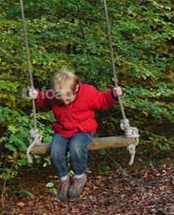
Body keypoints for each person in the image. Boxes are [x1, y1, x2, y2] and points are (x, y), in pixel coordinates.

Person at [27, 67, 123, 202]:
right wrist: (35, 95)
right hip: (62, 130)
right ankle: (64, 179)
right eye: (60, 97)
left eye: (68, 96)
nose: (65, 100)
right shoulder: (55, 95)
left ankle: (79, 176)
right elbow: (44, 99)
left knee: (76, 147)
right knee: (55, 151)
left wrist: (113, 94)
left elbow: (102, 99)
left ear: (76, 89)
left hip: (83, 130)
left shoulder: (87, 92)